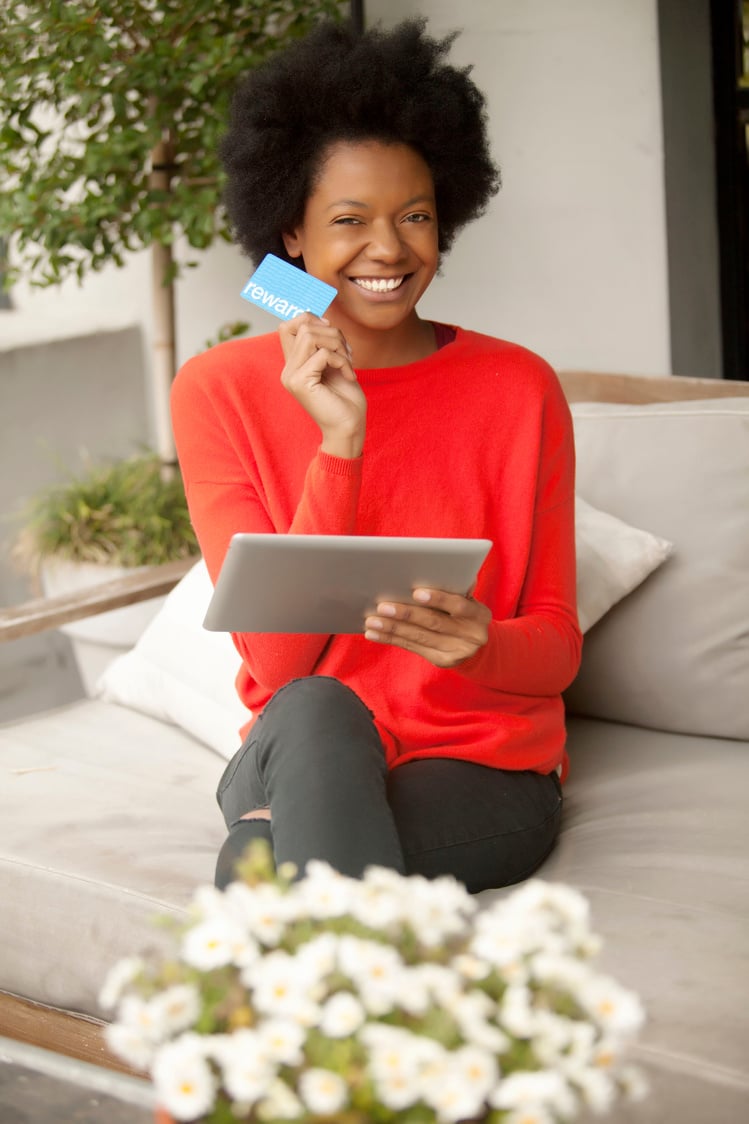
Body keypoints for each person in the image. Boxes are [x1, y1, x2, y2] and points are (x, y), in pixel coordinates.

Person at [171, 17, 582, 894]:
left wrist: (481, 646)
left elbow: (554, 650)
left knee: (258, 868)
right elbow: (279, 666)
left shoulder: (518, 388)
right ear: (290, 233)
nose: (389, 249)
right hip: (299, 744)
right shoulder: (219, 391)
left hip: (477, 767)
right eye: (348, 220)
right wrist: (340, 443)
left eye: (415, 217)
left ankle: (315, 987)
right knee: (318, 704)